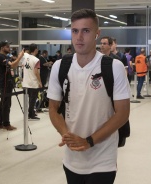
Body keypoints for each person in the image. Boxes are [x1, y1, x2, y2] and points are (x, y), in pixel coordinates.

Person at [47, 9, 130, 184]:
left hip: (102, 160)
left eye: (86, 31)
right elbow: (53, 108)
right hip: (71, 160)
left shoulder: (114, 67)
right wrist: (66, 135)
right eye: (75, 31)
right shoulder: (59, 67)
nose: (79, 37)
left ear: (96, 34)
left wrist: (89, 141)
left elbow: (122, 113)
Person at [0, 41, 24, 130]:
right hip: (4, 83)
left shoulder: (6, 56)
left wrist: (17, 58)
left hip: (8, 82)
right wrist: (20, 56)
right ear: (2, 48)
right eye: (7, 47)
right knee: (6, 104)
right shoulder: (0, 56)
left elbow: (14, 64)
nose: (9, 48)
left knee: (3, 103)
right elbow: (12, 66)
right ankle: (6, 123)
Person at [22, 44, 42, 120]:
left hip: (26, 82)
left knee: (29, 99)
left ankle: (31, 112)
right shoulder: (36, 60)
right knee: (32, 99)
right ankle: (31, 114)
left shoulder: (26, 58)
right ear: (35, 49)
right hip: (33, 82)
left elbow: (23, 68)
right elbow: (36, 72)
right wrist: (40, 82)